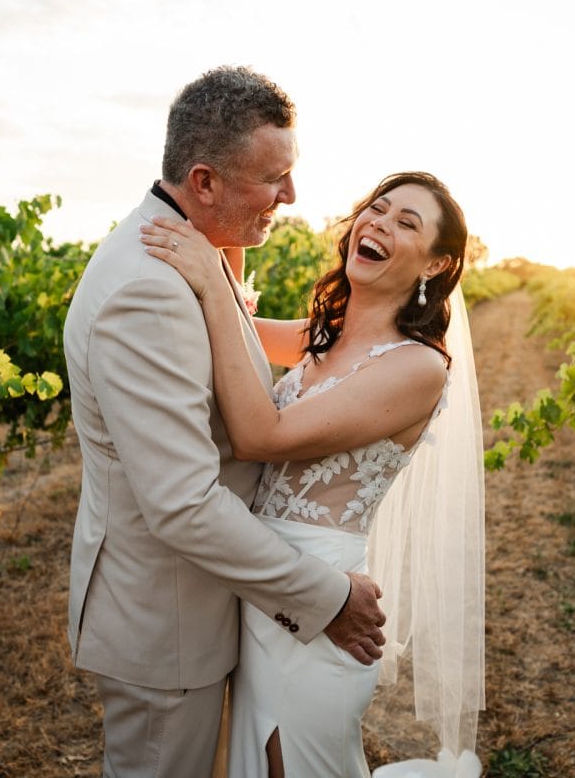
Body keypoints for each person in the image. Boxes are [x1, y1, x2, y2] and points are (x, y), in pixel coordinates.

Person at [62, 65, 388, 778]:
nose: (291, 197)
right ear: (204, 181)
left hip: (203, 606)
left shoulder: (189, 251)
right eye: (274, 177)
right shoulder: (146, 290)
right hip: (165, 625)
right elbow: (182, 503)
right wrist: (326, 597)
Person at [141, 171, 486, 777]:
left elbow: (259, 437)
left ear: (436, 265)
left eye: (407, 222)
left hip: (324, 603)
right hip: (263, 585)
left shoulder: (418, 369)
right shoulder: (319, 338)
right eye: (376, 209)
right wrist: (222, 238)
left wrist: (214, 285)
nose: (379, 223)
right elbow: (237, 335)